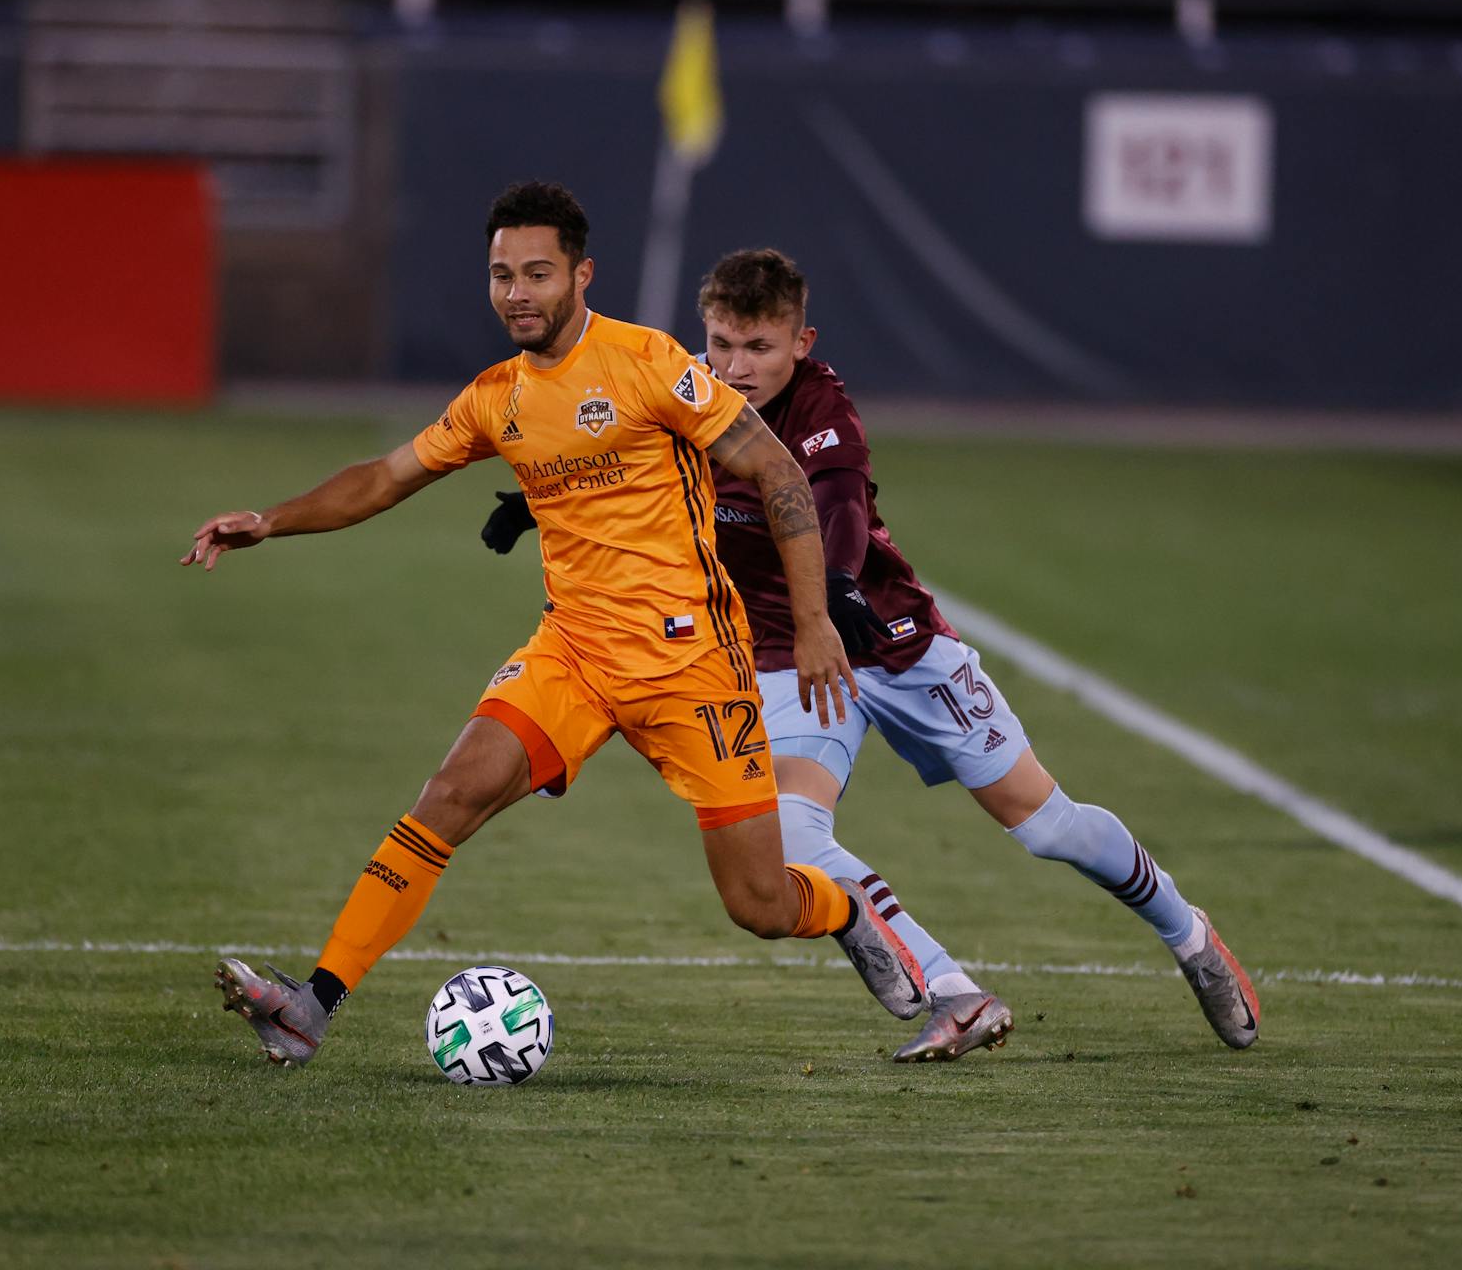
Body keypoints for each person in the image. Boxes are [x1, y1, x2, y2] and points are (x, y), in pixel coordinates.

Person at [182, 183, 928, 1067]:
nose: (517, 293)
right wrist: (270, 520)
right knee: (449, 796)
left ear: (582, 275)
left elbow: (779, 474)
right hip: (572, 653)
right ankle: (311, 1006)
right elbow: (383, 477)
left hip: (691, 665)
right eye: (502, 275)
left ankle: (845, 912)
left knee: (761, 904)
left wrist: (812, 625)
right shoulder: (496, 397)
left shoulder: (648, 362)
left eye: (537, 273)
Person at [486, 248, 1260, 1062]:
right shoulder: (686, 397)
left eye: (759, 347)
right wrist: (540, 502)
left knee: (1048, 826)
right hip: (788, 659)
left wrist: (839, 589)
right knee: (790, 831)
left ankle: (1191, 936)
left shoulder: (824, 407)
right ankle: (955, 993)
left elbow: (838, 507)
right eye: (721, 344)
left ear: (801, 343)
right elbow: (617, 466)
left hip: (890, 642)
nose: (737, 367)